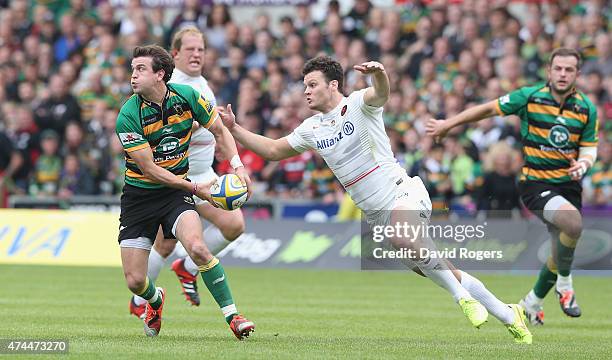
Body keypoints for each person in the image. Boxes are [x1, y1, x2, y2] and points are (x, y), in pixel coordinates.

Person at [219, 55, 531, 344]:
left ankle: (462, 299)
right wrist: (234, 128)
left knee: (404, 237)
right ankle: (508, 313)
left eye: (312, 84)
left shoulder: (357, 103)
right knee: (443, 269)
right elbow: (273, 150)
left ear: (333, 85)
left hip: (402, 192)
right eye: (304, 86)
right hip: (378, 214)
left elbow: (380, 94)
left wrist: (379, 74)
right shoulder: (312, 128)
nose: (306, 92)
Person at [426, 48, 599, 326]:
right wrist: (450, 123)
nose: (563, 74)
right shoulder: (529, 97)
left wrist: (584, 164)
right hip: (536, 183)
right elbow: (487, 109)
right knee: (574, 225)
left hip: (569, 187)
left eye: (569, 70)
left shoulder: (586, 108)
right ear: (549, 71)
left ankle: (531, 303)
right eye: (558, 68)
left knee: (561, 247)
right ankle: (565, 285)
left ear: (578, 74)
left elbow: (589, 147)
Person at [115, 44, 254, 339]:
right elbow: (150, 170)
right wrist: (195, 188)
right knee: (135, 281)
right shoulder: (128, 115)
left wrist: (238, 166)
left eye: (140, 69)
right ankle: (154, 300)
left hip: (174, 195)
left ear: (160, 75)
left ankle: (234, 316)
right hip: (139, 197)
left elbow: (219, 130)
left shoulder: (188, 97)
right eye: (132, 69)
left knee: (199, 248)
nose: (133, 76)